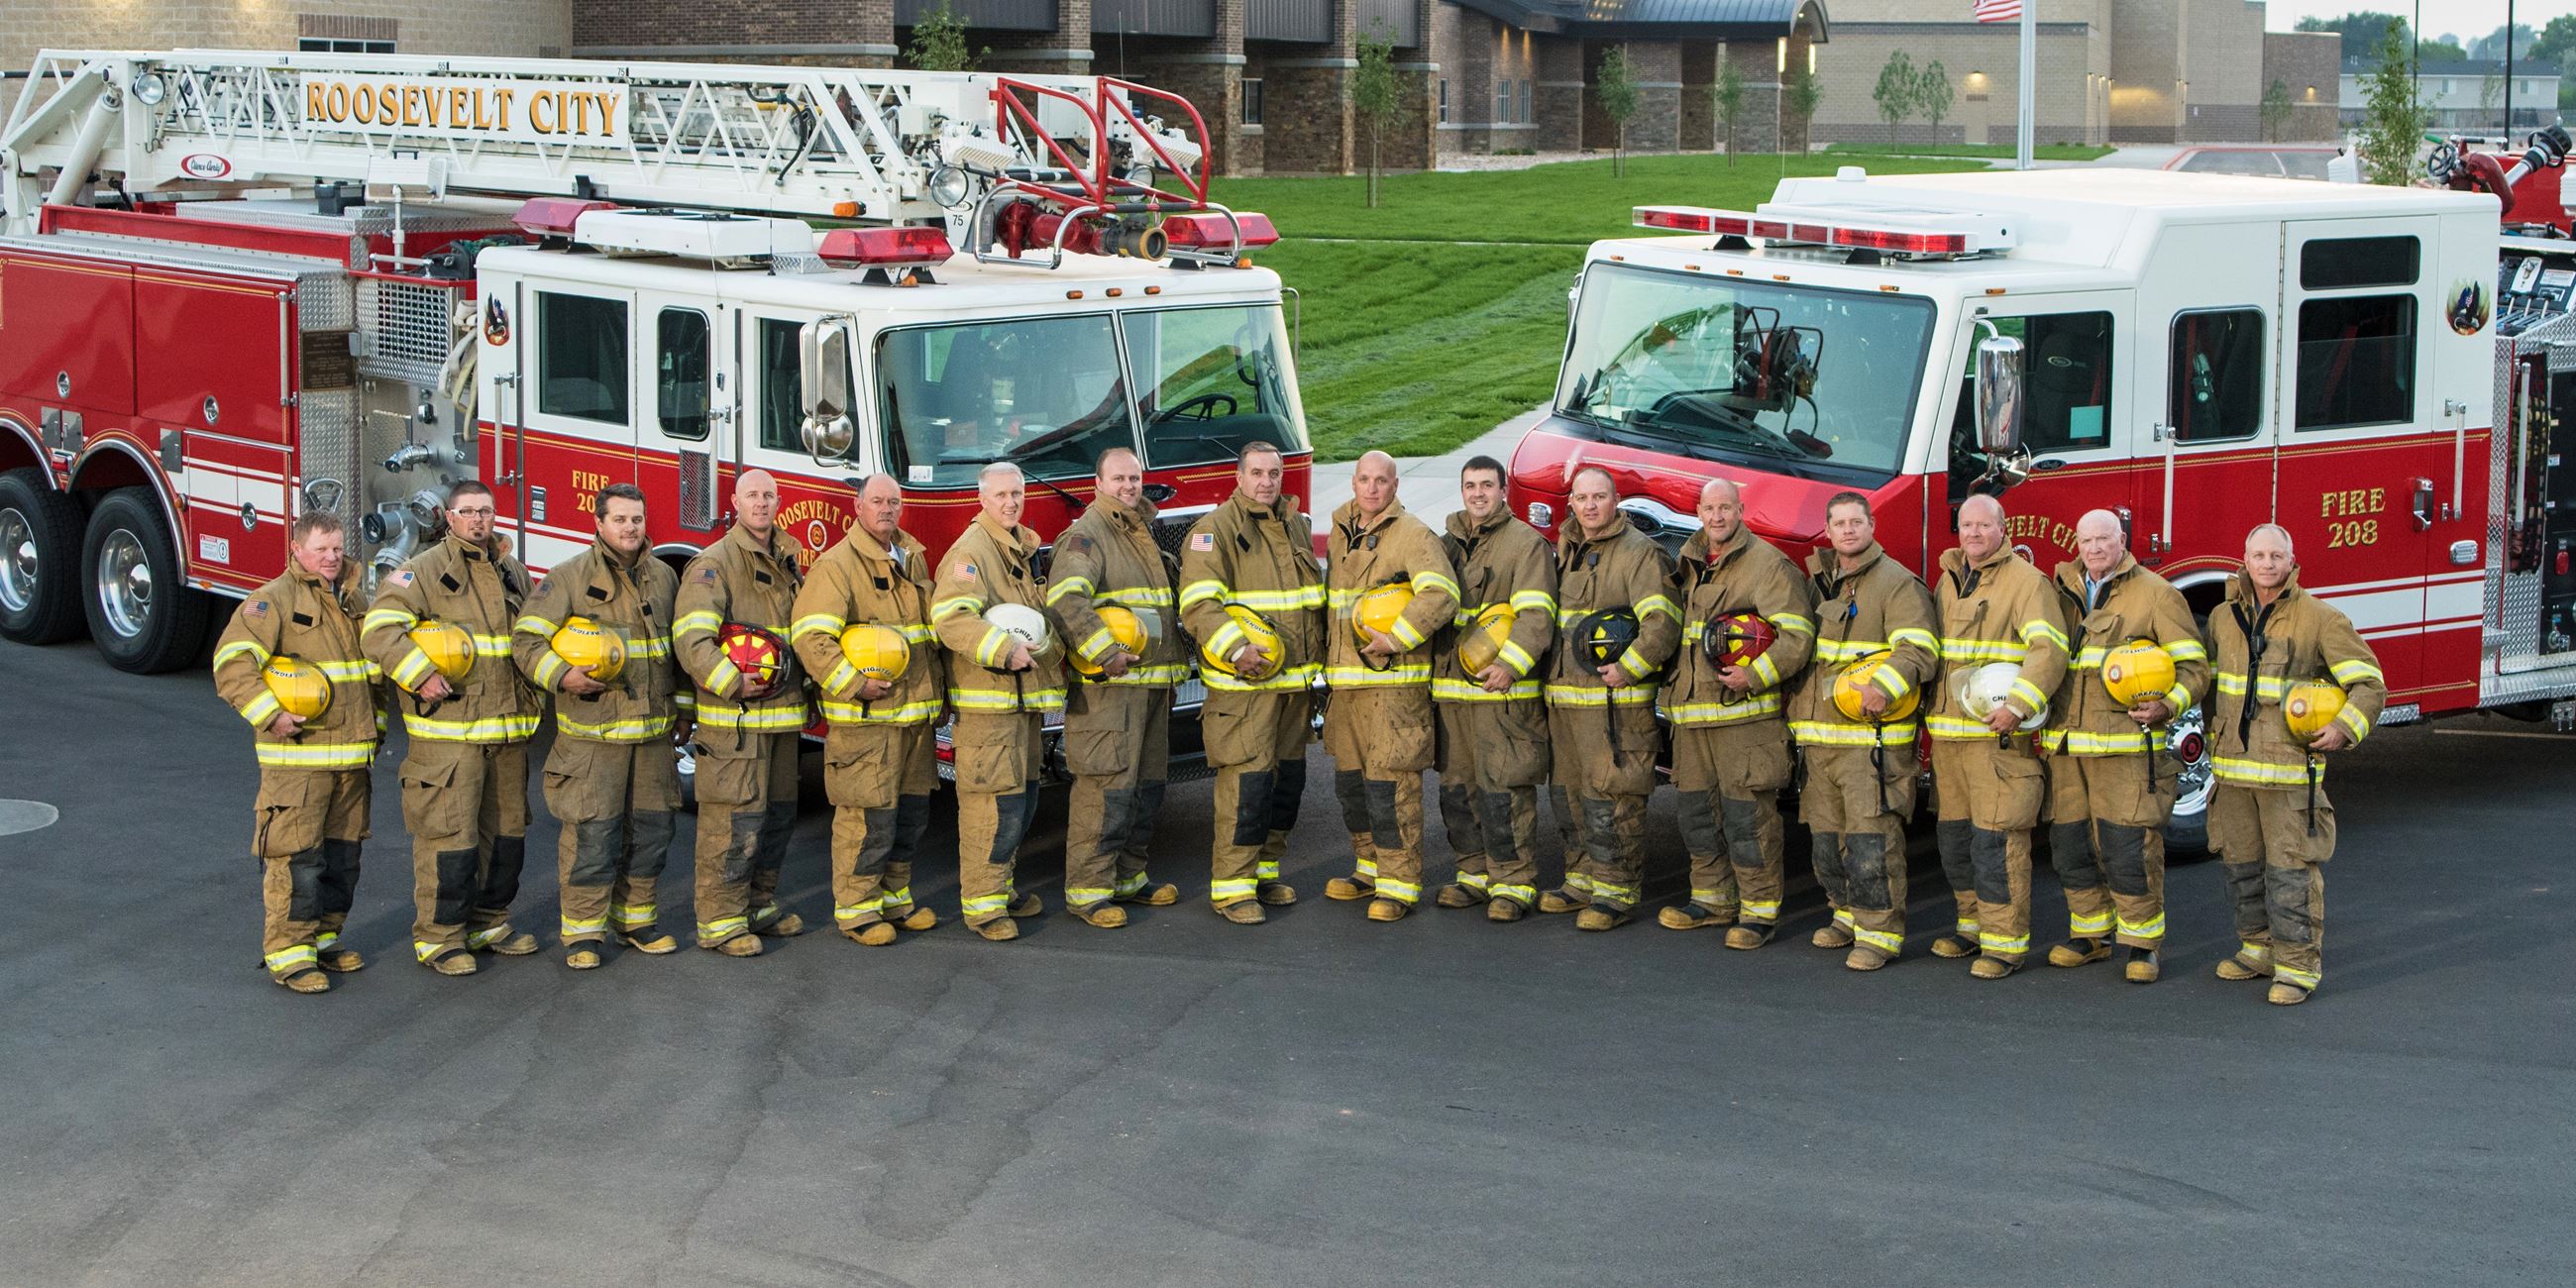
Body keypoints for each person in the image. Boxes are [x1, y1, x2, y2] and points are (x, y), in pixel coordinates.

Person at [365, 482, 543, 975]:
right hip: (449, 738)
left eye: (486, 511)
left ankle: (489, 922)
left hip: (507, 735)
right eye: (468, 512)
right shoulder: (419, 573)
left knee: (507, 838)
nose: (478, 521)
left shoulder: (513, 573)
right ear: (448, 517)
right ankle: (440, 939)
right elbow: (379, 631)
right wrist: (419, 674)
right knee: (449, 841)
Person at [2204, 523, 2384, 1005]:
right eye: (2258, 555)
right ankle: (2257, 950)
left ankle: (2298, 968)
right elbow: (2213, 688)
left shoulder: (2321, 619)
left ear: (2291, 559)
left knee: (2290, 874)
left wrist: (2344, 728)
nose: (2266, 564)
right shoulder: (2223, 617)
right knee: (2241, 868)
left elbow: (2369, 684)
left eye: (2275, 555)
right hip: (2233, 772)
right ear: (2244, 557)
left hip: (2288, 775)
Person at [511, 483, 687, 970]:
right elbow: (526, 643)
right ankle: (583, 934)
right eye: (620, 520)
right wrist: (562, 676)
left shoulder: (664, 578)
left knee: (652, 833)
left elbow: (676, 655)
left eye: (637, 519)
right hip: (593, 740)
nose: (630, 528)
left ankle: (636, 922)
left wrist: (686, 711)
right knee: (594, 836)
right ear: (599, 522)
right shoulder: (567, 578)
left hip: (652, 737)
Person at [212, 511, 380, 993]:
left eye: (337, 548)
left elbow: (369, 679)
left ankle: (323, 940)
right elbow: (232, 665)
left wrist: (377, 731)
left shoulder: (351, 598)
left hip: (351, 762)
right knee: (296, 859)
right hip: (298, 764)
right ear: (296, 549)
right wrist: (272, 716)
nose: (332, 557)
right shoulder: (271, 603)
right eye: (322, 548)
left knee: (342, 859)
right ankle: (290, 953)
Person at [2041, 508, 2208, 984]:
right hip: (2068, 746)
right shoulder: (2059, 593)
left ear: (2123, 540)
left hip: (2127, 749)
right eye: (2086, 540)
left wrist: (2168, 705)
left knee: (2128, 848)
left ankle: (2142, 946)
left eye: (2104, 539)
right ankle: (2090, 936)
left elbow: (2195, 669)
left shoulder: (2157, 595)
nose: (2094, 549)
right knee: (2070, 846)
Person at [1659, 478, 1816, 948]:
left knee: (1748, 820)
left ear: (1741, 510)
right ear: (1700, 511)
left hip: (1744, 720)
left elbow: (1797, 635)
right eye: (1710, 508)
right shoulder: (1689, 562)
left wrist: (1757, 674)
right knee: (1696, 816)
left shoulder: (1767, 566)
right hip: (1693, 721)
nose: (1718, 517)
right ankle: (1711, 901)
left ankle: (1759, 912)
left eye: (1726, 508)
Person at [790, 475, 945, 946]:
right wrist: (854, 685)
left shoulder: (910, 556)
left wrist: (941, 698)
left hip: (913, 719)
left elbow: (926, 640)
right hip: (867, 722)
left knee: (911, 815)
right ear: (857, 507)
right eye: (876, 501)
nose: (886, 509)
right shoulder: (837, 566)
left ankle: (894, 899)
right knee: (866, 819)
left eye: (894, 502)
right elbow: (810, 636)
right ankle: (856, 911)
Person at [1787, 491, 1939, 971]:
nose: (1848, 531)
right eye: (1839, 523)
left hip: (1871, 747)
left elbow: (1918, 650)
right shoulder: (1820, 583)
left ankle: (1879, 934)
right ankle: (1845, 914)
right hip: (1821, 742)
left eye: (1857, 522)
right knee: (1828, 841)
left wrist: (1884, 685)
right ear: (1828, 530)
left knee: (1872, 841)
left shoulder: (1896, 584)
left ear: (1872, 526)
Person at [1178, 442, 1327, 923]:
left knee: (1286, 785)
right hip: (1245, 694)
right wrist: (1236, 649)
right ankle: (1233, 887)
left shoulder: (1295, 525)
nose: (1266, 482)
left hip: (1293, 690)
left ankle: (1265, 871)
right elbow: (1199, 604)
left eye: (1274, 473)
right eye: (1257, 473)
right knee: (1247, 786)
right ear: (1238, 478)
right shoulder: (1214, 531)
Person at [1925, 494, 2069, 979]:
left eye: (1984, 525)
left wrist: (2018, 706)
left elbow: (2049, 649)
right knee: (1955, 840)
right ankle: (1972, 927)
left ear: (2003, 530)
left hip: (1997, 742)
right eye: (1966, 525)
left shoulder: (2026, 583)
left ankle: (2005, 944)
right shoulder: (1947, 581)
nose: (1974, 534)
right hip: (1948, 742)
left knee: (1997, 843)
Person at [1045, 448, 1188, 926]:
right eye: (1119, 479)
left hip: (1148, 688)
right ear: (1099, 484)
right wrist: (1105, 651)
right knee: (1106, 789)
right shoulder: (1088, 536)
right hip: (1110, 692)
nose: (1129, 486)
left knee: (1146, 789)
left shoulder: (1138, 528)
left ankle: (1129, 878)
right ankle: (1088, 891)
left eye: (1134, 478)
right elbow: (1066, 600)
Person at [1317, 451, 1460, 921]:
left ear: (1395, 486)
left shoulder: (1412, 535)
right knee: (1352, 788)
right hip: (1346, 688)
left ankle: (1399, 884)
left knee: (1390, 787)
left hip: (1393, 690)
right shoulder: (1342, 533)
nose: (1372, 488)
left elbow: (1442, 593)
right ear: (1353, 483)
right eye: (1364, 479)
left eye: (1382, 481)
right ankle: (1369, 868)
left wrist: (1398, 637)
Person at [675, 469, 810, 957]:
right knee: (733, 823)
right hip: (734, 723)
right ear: (734, 501)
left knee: (776, 818)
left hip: (782, 719)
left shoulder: (787, 557)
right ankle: (720, 921)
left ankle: (758, 903)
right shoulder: (714, 564)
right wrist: (731, 681)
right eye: (752, 495)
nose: (761, 503)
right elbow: (692, 639)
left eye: (769, 495)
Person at [1538, 466, 1680, 931]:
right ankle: (1581, 880)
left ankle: (1616, 893)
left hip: (1613, 708)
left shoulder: (1640, 554)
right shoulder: (1564, 550)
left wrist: (1630, 667)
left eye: (1600, 497)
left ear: (1615, 500)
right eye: (1582, 498)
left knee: (1612, 799)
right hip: (1565, 704)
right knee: (1569, 796)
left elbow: (1663, 621)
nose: (1591, 506)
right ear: (1572, 503)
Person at [930, 463, 1067, 942]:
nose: (1011, 502)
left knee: (1022, 800)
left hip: (1019, 704)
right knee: (993, 806)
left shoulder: (1018, 547)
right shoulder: (971, 553)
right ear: (982, 499)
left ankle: (1002, 889)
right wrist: (1004, 650)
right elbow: (950, 617)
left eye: (1017, 493)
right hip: (988, 706)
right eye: (1002, 495)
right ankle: (983, 906)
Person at [1429, 456, 1557, 921]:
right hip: (1452, 696)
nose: (1478, 494)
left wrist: (1510, 665)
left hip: (1503, 695)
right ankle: (1472, 877)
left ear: (1504, 490)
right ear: (1461, 491)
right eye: (1470, 486)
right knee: (1457, 791)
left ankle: (1513, 883)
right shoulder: (1444, 545)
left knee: (1503, 791)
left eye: (1487, 485)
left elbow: (1536, 615)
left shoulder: (1526, 546)